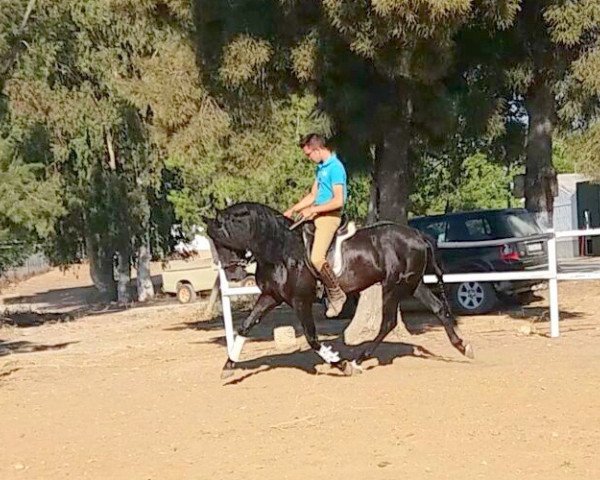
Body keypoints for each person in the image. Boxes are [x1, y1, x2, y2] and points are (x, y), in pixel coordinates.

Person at [284, 133, 348, 317]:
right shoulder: (321, 169)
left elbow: (338, 200)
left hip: (329, 217)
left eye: (309, 154)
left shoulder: (335, 168)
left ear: (318, 149)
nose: (309, 158)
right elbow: (313, 195)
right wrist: (293, 210)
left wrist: (315, 210)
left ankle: (336, 294)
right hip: (317, 214)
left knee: (317, 258)